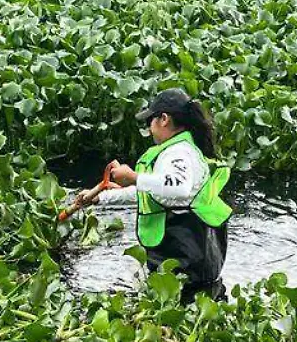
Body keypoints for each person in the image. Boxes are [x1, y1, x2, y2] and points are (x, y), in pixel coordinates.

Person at [79, 88, 233, 304]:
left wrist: (134, 177)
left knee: (172, 305)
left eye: (149, 122)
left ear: (163, 119)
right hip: (201, 256)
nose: (149, 130)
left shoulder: (179, 153)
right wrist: (102, 198)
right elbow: (157, 193)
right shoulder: (178, 149)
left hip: (186, 255)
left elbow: (178, 188)